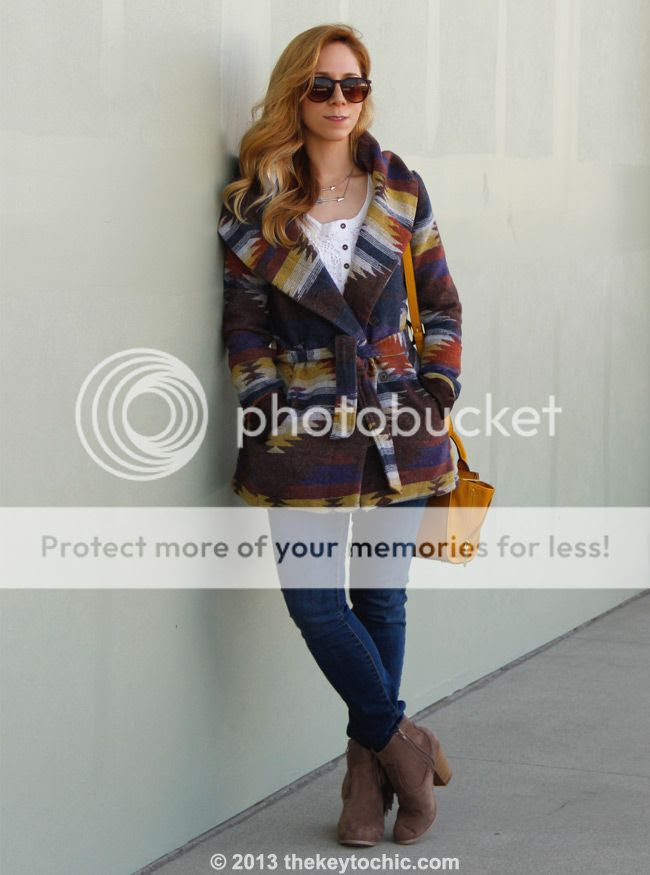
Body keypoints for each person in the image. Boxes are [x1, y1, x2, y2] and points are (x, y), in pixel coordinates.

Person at [218, 23, 461, 847]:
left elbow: (443, 301)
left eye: (353, 84)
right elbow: (244, 327)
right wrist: (268, 407)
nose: (338, 100)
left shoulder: (400, 189)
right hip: (303, 433)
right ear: (296, 93)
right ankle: (404, 748)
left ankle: (367, 775)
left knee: (381, 599)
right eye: (321, 85)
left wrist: (436, 391)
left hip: (399, 424)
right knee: (317, 605)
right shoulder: (253, 205)